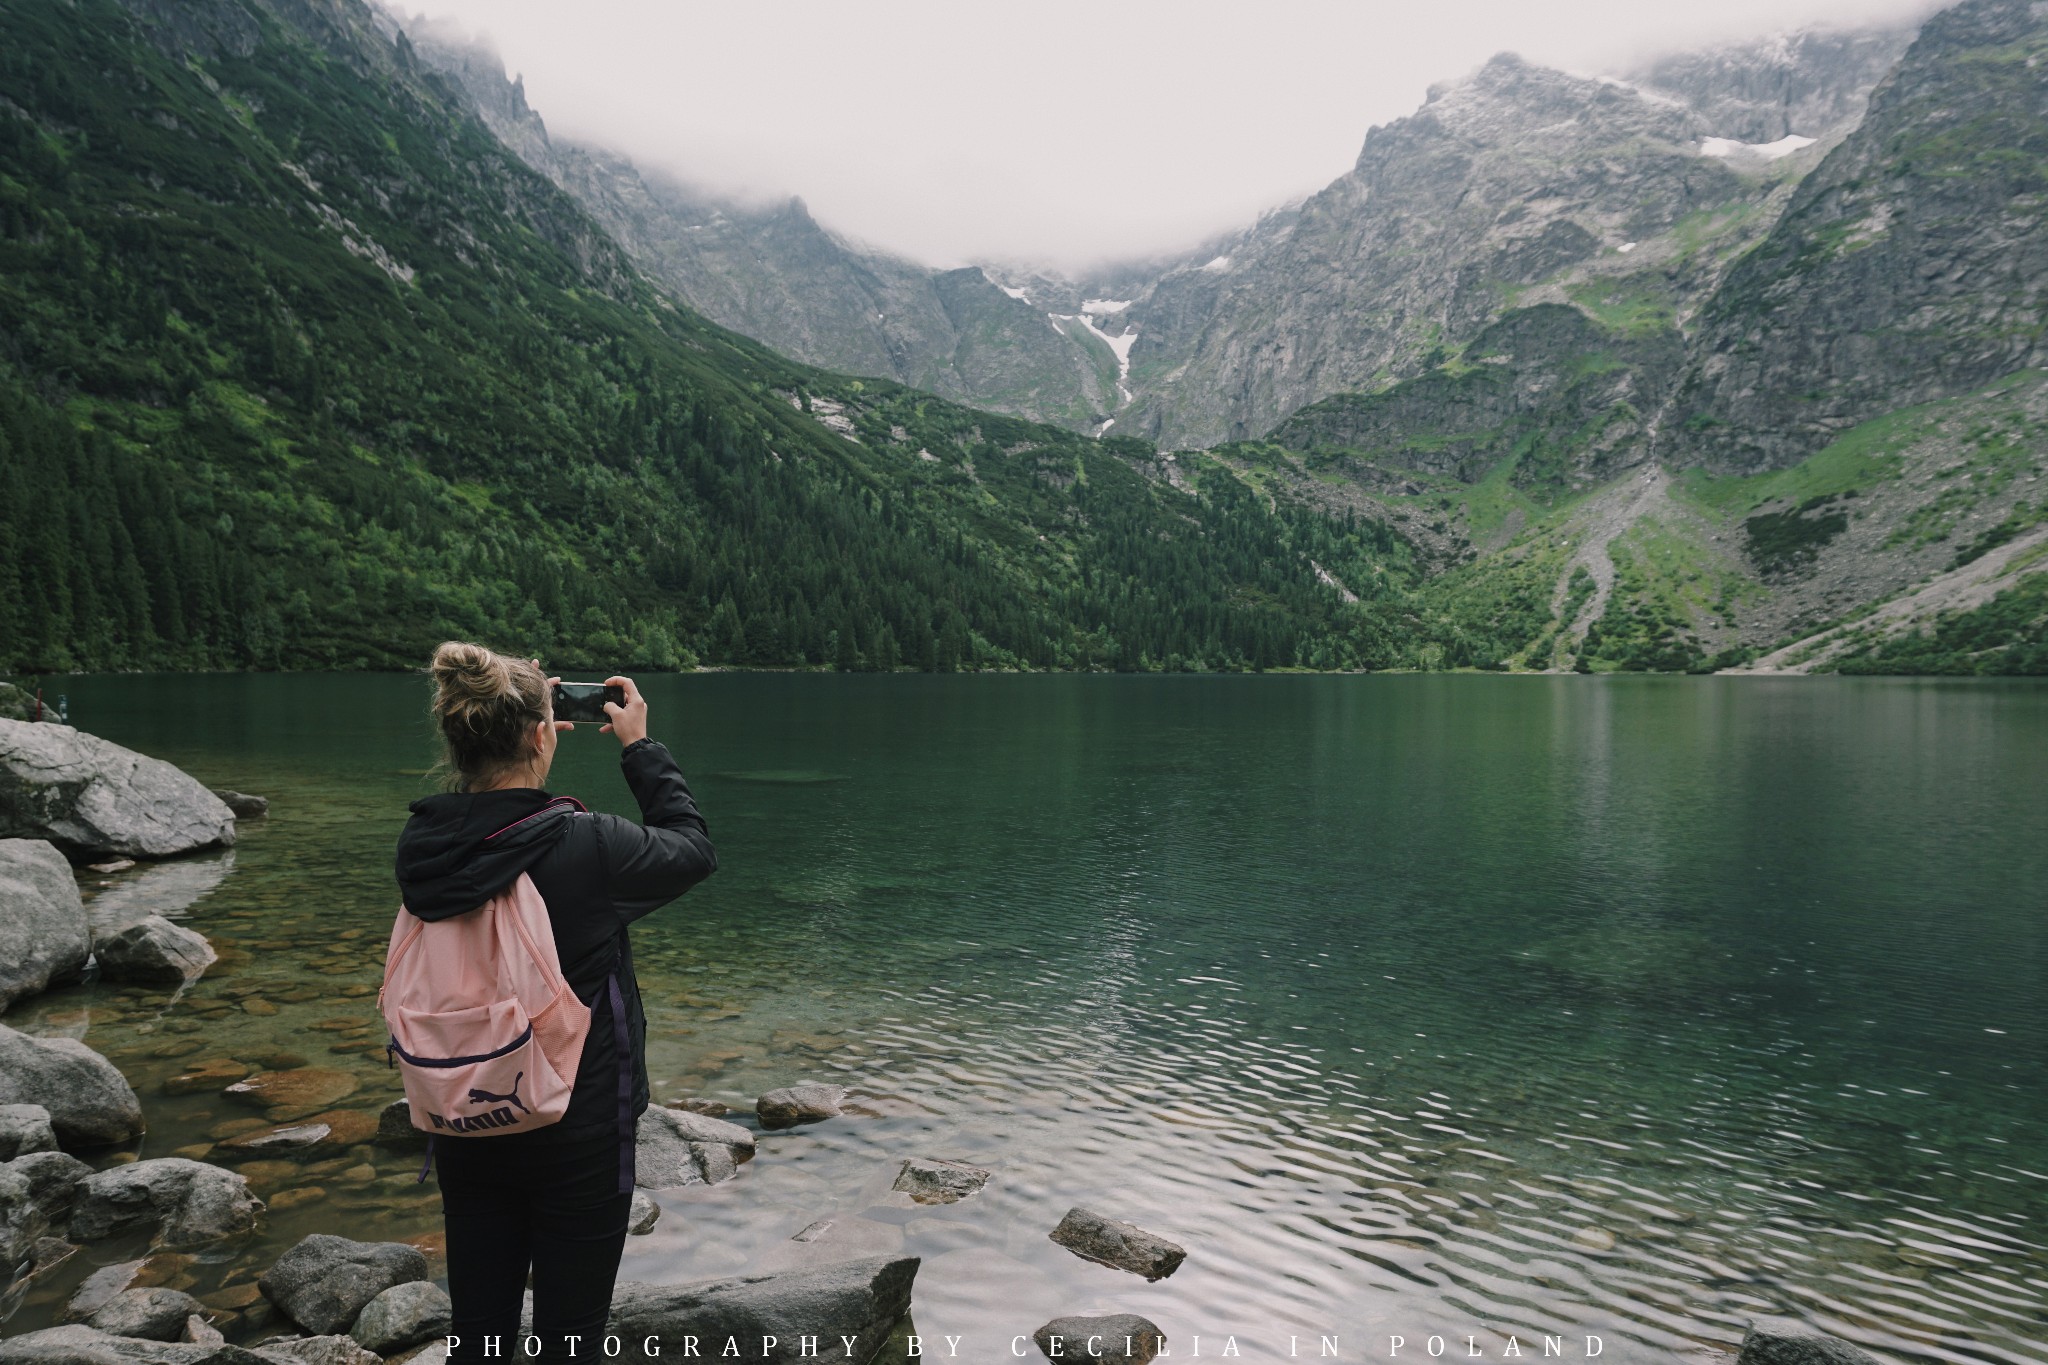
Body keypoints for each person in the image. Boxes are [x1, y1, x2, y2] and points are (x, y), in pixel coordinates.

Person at [393, 641, 717, 1362]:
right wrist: (639, 746)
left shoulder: (422, 844)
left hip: (466, 1112)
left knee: (478, 1331)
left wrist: (524, 744)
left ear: (457, 738)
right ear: (545, 733)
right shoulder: (585, 844)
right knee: (570, 1333)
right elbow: (692, 847)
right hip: (579, 1128)